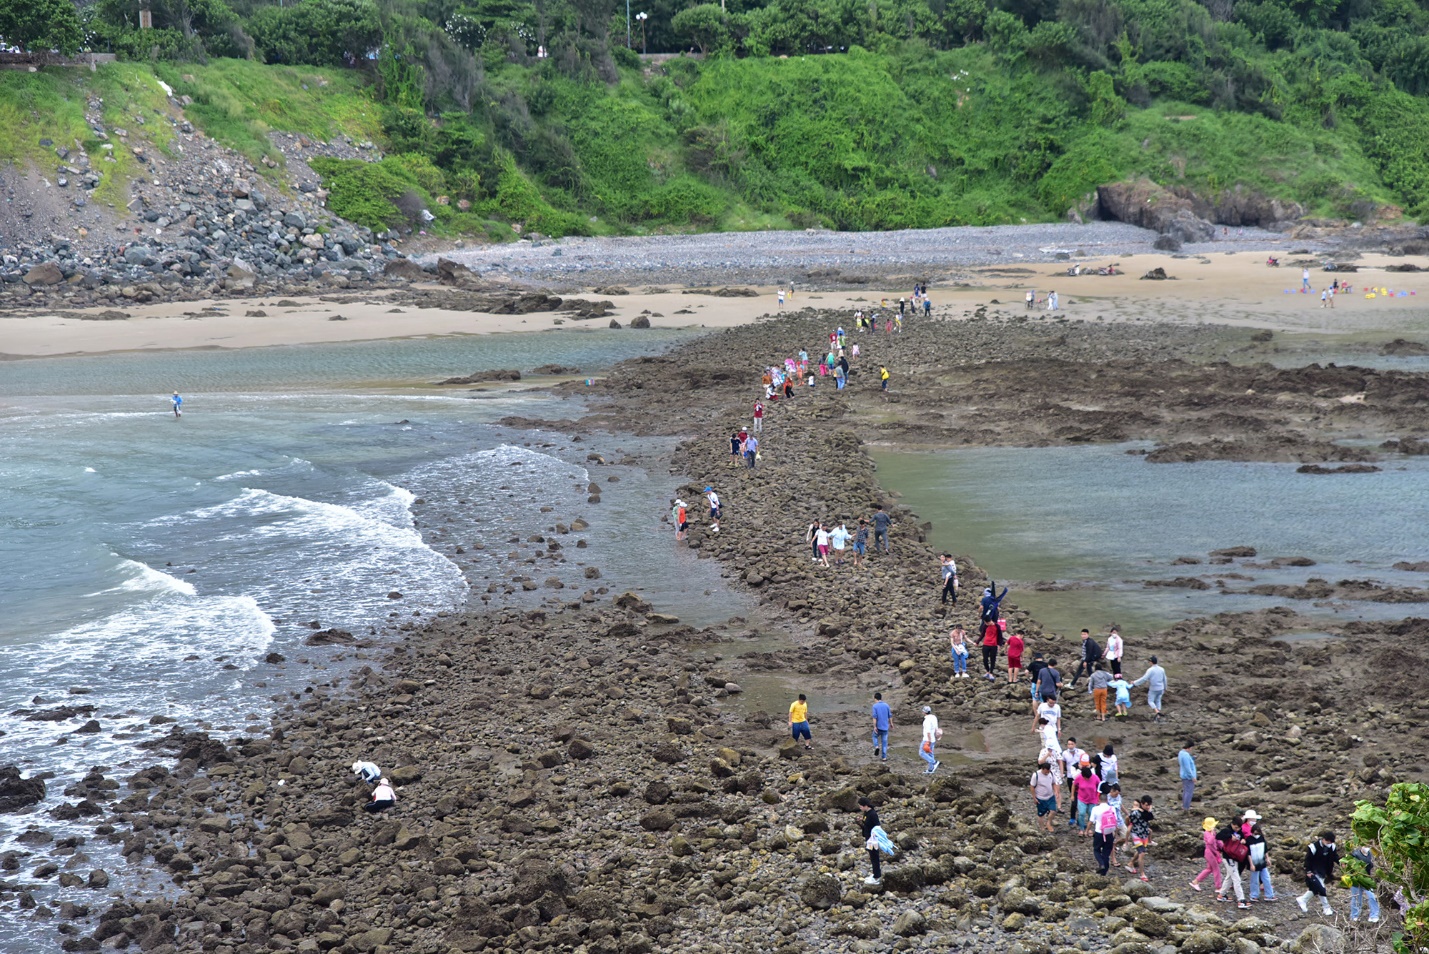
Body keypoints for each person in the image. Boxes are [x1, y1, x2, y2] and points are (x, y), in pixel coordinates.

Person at [1298, 831, 1340, 916]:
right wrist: (1308, 871)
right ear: (1324, 840)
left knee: (1316, 889)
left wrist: (1341, 863)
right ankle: (1326, 907)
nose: (1329, 844)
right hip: (1314, 871)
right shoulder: (1313, 847)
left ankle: (1303, 899)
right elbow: (1307, 860)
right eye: (1328, 842)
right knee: (1321, 889)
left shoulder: (1332, 847)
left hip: (1324, 871)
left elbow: (1335, 857)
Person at [1217, 819, 1250, 908]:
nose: (1237, 829)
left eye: (1239, 828)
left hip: (1235, 857)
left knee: (1229, 877)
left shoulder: (1239, 830)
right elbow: (1218, 836)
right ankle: (1241, 900)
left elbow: (1242, 834)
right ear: (1232, 824)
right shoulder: (1227, 830)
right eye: (1236, 827)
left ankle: (1222, 895)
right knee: (1236, 878)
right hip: (1228, 858)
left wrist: (1242, 839)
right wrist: (1229, 836)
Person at [1245, 815, 1277, 903]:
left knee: (1266, 878)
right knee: (1254, 880)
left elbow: (1265, 849)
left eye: (1258, 833)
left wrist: (1268, 859)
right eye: (1255, 833)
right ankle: (1254, 895)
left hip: (1262, 862)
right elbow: (1248, 854)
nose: (1256, 835)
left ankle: (1269, 895)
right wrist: (1251, 864)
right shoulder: (1249, 840)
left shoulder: (1261, 838)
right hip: (1254, 863)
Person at [859, 796, 889, 885]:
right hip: (868, 838)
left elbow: (877, 826)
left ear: (866, 805)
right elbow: (866, 824)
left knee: (874, 857)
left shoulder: (873, 814)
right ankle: (875, 874)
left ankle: (877, 877)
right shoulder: (866, 813)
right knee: (872, 857)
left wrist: (874, 835)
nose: (860, 807)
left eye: (861, 806)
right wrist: (860, 821)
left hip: (873, 839)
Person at [1348, 843, 1381, 923]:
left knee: (1372, 897)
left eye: (1368, 846)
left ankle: (1374, 915)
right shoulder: (1355, 854)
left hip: (1367, 879)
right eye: (1365, 846)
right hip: (1356, 880)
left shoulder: (1371, 855)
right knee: (1356, 899)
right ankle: (1354, 916)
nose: (1367, 848)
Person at [1090, 784, 1118, 874]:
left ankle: (1101, 864)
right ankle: (1104, 872)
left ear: (1099, 800)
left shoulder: (1095, 809)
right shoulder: (1112, 808)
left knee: (1096, 850)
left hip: (1099, 832)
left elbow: (1091, 821)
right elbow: (1116, 821)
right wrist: (1115, 833)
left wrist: (1087, 830)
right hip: (1109, 833)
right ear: (1107, 800)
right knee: (1106, 853)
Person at [1190, 818, 1223, 893]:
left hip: (1213, 852)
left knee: (1209, 869)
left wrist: (1224, 847)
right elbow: (1210, 842)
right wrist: (1212, 834)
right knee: (1216, 869)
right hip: (1209, 853)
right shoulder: (1207, 833)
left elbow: (1218, 841)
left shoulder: (1213, 832)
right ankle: (1218, 887)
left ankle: (1195, 882)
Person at [1126, 796, 1154, 882]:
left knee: (1139, 852)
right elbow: (1128, 818)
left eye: (1149, 805)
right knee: (1142, 853)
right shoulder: (1136, 813)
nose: (1148, 807)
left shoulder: (1147, 812)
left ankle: (1131, 863)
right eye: (1146, 805)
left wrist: (1147, 810)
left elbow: (1150, 817)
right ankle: (1142, 874)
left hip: (1144, 834)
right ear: (1142, 804)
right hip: (1136, 834)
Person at [1131, 656, 1167, 720]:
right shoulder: (1162, 669)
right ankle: (1158, 716)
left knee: (1150, 701)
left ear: (1151, 662)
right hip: (1161, 688)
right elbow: (1165, 679)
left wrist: (1135, 683)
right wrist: (1165, 687)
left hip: (1153, 688)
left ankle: (1157, 712)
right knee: (1158, 700)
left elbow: (1144, 679)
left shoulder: (1150, 670)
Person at [1071, 758, 1101, 835]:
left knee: (1091, 814)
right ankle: (1081, 829)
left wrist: (1099, 798)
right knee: (1082, 813)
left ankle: (1089, 828)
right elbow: (1074, 785)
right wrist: (1072, 795)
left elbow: (1099, 787)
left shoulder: (1095, 777)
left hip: (1092, 799)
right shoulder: (1079, 777)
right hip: (1082, 798)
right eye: (1086, 778)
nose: (1087, 779)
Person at [1030, 761, 1061, 833]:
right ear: (1043, 769)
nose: (1048, 772)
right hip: (1040, 798)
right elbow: (1032, 787)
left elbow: (1053, 783)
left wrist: (1056, 791)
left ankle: (1048, 823)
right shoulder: (1036, 775)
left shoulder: (1051, 773)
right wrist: (1034, 798)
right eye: (1047, 770)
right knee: (1041, 814)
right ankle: (1042, 828)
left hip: (1050, 796)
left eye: (1049, 770)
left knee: (1053, 811)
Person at [920, 705, 941, 775]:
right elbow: (936, 728)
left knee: (921, 753)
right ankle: (931, 769)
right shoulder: (934, 717)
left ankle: (934, 762)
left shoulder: (926, 720)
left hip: (927, 739)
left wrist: (928, 741)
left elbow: (928, 732)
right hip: (933, 739)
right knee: (930, 753)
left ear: (924, 712)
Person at [870, 692, 892, 761]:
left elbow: (874, 717)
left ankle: (876, 746)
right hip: (885, 727)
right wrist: (891, 723)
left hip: (878, 727)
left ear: (875, 698)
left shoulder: (875, 706)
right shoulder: (886, 705)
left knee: (874, 736)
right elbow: (890, 716)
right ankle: (884, 757)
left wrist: (874, 726)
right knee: (884, 742)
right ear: (881, 698)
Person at [1178, 741, 1198, 810]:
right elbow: (1187, 767)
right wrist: (1192, 777)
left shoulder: (1181, 753)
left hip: (1184, 775)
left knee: (1186, 791)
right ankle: (1186, 807)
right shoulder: (1186, 755)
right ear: (1189, 748)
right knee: (1189, 792)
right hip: (1188, 777)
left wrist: (1192, 758)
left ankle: (1185, 805)